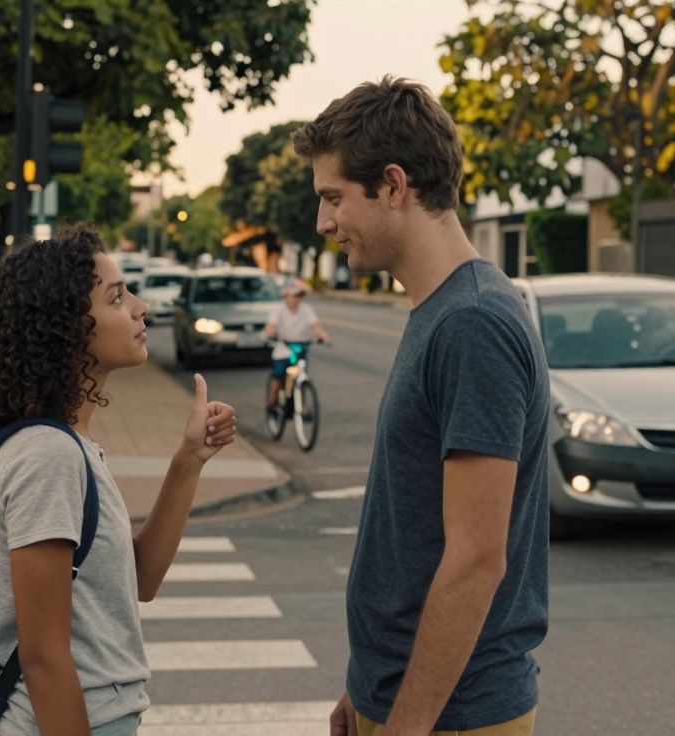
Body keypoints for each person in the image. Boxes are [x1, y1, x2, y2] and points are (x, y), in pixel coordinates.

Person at [293, 77, 550, 736]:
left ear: (395, 186)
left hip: (452, 716)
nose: (322, 223)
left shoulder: (473, 324)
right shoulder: (443, 309)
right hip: (407, 698)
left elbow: (475, 561)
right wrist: (365, 685)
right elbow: (413, 532)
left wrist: (404, 723)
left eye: (333, 198)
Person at [0, 225, 238, 736]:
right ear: (67, 329)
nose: (141, 307)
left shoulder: (67, 448)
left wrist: (189, 460)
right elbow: (43, 658)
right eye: (117, 297)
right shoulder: (47, 458)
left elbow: (140, 580)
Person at [264, 278, 332, 412]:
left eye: (300, 295)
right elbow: (270, 328)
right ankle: (272, 401)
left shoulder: (306, 309)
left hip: (300, 347)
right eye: (294, 295)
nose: (297, 298)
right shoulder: (279, 310)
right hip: (283, 349)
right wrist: (271, 333)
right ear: (286, 295)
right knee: (278, 375)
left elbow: (315, 326)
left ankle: (301, 404)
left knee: (301, 375)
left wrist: (323, 336)